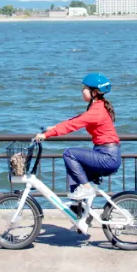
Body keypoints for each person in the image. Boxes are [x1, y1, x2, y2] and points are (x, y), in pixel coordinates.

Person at [35, 72, 120, 202]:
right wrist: (54, 128)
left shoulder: (96, 111)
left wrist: (46, 135)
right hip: (105, 154)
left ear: (95, 92)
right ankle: (80, 213)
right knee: (74, 175)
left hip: (107, 157)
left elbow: (73, 125)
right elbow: (77, 119)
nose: (82, 91)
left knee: (69, 154)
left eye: (85, 88)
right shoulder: (98, 107)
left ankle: (86, 189)